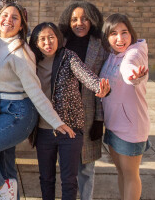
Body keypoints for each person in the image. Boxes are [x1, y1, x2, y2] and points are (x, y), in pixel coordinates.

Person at [0, 3, 74, 200]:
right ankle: (8, 191)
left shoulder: (20, 52)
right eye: (5, 15)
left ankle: (2, 191)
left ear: (21, 26)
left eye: (15, 18)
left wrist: (56, 122)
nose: (8, 20)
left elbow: (34, 91)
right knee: (6, 170)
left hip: (16, 114)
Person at [28, 22, 110, 200]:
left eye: (51, 37)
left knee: (69, 180)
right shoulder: (31, 61)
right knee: (46, 178)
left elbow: (85, 75)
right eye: (42, 39)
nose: (47, 42)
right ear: (35, 42)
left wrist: (100, 87)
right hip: (43, 130)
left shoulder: (68, 57)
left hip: (70, 129)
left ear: (58, 39)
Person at [57, 1, 108, 200]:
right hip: (63, 112)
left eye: (85, 18)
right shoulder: (61, 42)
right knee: (67, 166)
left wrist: (99, 119)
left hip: (89, 113)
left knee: (86, 167)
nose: (80, 23)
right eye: (75, 19)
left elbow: (103, 84)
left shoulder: (100, 46)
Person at [100, 14, 150, 200]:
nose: (120, 39)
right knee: (121, 172)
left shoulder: (135, 52)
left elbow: (129, 68)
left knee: (130, 175)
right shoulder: (112, 55)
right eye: (114, 33)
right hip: (113, 124)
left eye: (124, 33)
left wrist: (134, 77)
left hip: (131, 127)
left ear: (132, 34)